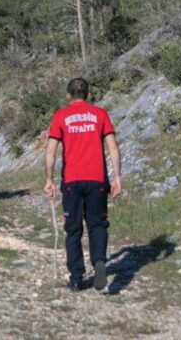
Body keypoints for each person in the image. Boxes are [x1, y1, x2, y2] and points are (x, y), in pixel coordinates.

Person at [43, 78, 121, 292]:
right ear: (88, 94)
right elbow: (113, 147)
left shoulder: (61, 116)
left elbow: (50, 151)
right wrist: (117, 177)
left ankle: (76, 278)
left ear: (69, 95)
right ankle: (98, 262)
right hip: (97, 179)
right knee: (97, 224)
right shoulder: (100, 114)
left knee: (73, 229)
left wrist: (49, 180)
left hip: (71, 181)